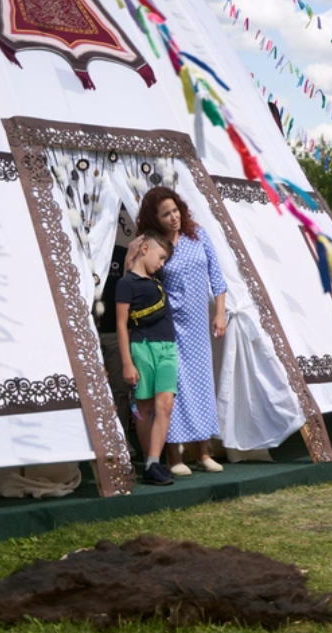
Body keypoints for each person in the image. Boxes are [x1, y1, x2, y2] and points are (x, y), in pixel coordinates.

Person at [132, 187, 227, 476]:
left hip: (198, 326)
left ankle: (203, 452)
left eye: (175, 210)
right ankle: (174, 456)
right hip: (168, 325)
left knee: (201, 385)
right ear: (155, 219)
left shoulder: (198, 235)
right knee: (173, 390)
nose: (173, 217)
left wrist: (220, 313)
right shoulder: (153, 245)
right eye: (166, 214)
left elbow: (217, 276)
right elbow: (140, 280)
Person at [115, 232, 177, 486]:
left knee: (165, 405)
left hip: (168, 347)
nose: (162, 264)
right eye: (160, 257)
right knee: (144, 408)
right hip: (142, 347)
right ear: (145, 249)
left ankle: (153, 461)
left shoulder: (157, 280)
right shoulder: (126, 283)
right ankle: (151, 462)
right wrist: (127, 362)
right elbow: (122, 325)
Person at [98, 244, 134, 454]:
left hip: (115, 332)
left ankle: (121, 440)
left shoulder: (122, 253)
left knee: (120, 390)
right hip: (83, 332)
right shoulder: (76, 251)